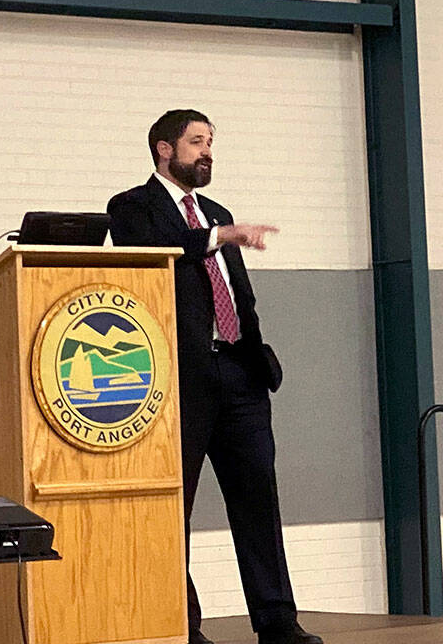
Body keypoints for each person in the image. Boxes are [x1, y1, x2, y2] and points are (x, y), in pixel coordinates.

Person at [108, 109, 323, 644]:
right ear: (164, 149)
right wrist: (220, 234)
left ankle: (278, 624)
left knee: (258, 501)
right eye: (196, 142)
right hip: (182, 378)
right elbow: (155, 248)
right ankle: (183, 626)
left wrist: (255, 354)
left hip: (239, 375)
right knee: (172, 507)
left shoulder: (216, 212)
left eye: (211, 143)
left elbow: (235, 292)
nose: (207, 152)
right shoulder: (132, 207)